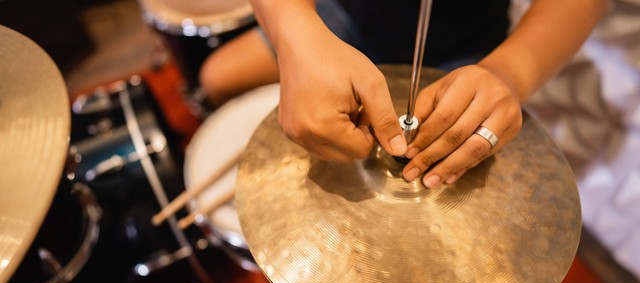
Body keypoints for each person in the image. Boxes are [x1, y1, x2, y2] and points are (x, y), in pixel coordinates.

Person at [199, 0, 609, 190]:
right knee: (216, 78)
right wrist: (291, 29)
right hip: (341, 19)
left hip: (463, 54)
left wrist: (510, 72)